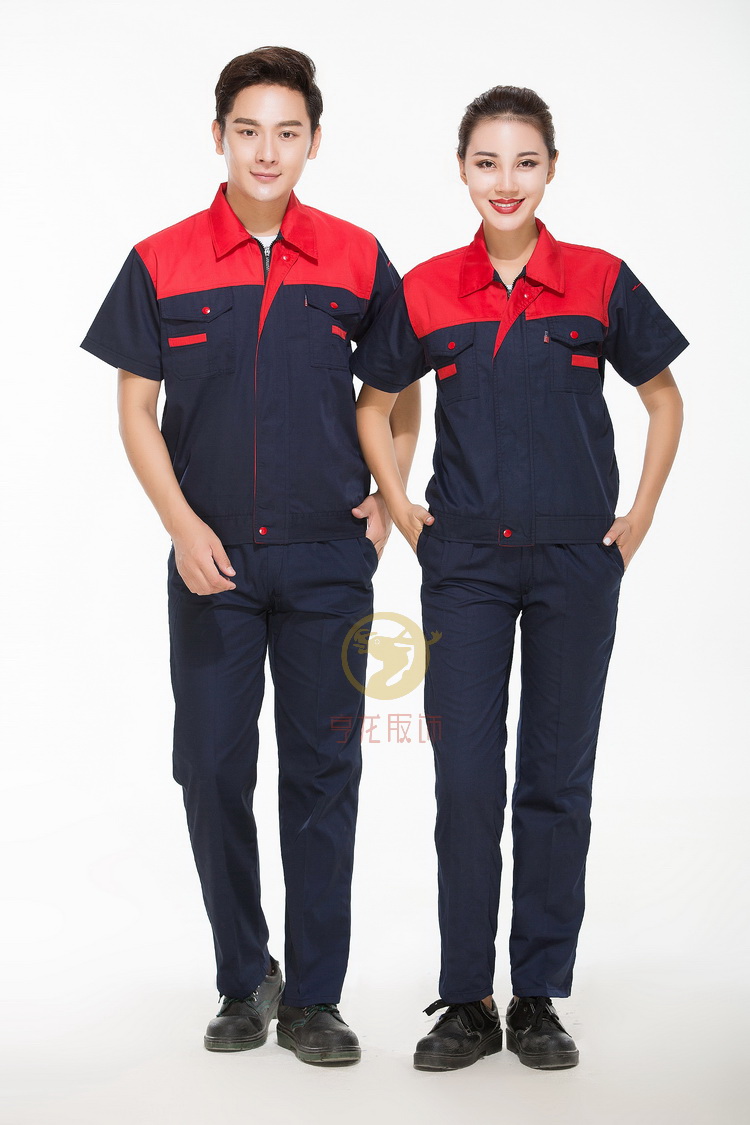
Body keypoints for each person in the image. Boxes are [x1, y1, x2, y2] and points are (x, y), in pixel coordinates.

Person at [80, 46, 418, 1066]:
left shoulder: (355, 257)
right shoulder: (162, 259)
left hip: (325, 559)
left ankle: (315, 997)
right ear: (219, 136)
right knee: (210, 765)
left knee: (324, 772)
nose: (267, 151)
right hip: (211, 562)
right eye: (248, 130)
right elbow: (135, 409)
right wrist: (181, 526)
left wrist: (388, 500)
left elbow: (399, 390)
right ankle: (244, 976)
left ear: (313, 141)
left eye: (287, 132)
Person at [351, 85, 687, 1072]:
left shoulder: (599, 279)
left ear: (551, 169)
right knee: (466, 780)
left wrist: (639, 518)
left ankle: (537, 995)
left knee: (555, 779)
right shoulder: (426, 288)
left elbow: (665, 398)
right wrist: (403, 507)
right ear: (462, 169)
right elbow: (375, 404)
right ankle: (467, 999)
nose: (506, 181)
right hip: (464, 567)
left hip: (578, 562)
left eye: (525, 162)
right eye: (487, 162)